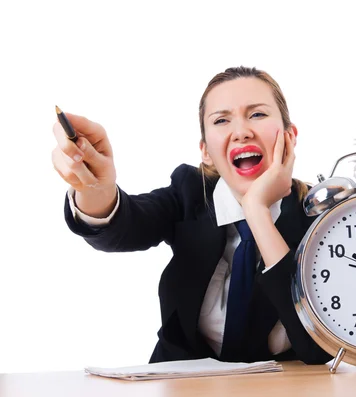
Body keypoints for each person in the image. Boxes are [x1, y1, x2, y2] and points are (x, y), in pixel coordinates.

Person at [51, 66, 332, 365]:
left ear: (290, 136)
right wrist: (94, 186)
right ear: (206, 151)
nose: (241, 132)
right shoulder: (188, 193)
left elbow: (316, 349)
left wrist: (257, 211)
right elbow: (124, 227)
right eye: (222, 120)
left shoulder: (322, 220)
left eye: (257, 114)